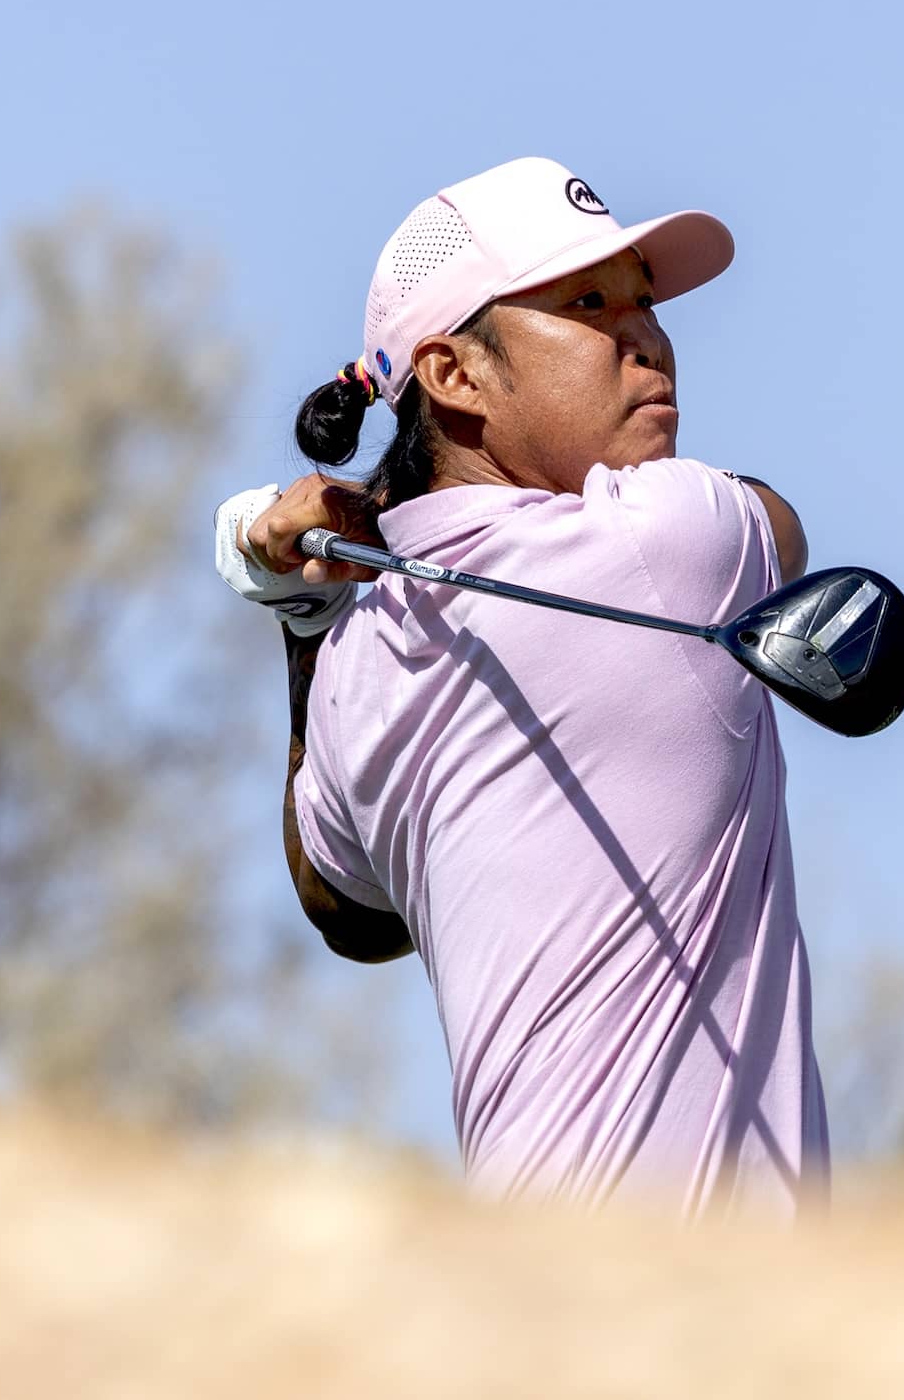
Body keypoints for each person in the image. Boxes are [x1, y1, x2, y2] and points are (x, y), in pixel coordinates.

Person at [211, 157, 827, 1216]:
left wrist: (300, 609)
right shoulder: (673, 541)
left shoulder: (359, 656)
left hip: (529, 1299)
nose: (646, 334)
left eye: (642, 296)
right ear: (453, 375)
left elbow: (342, 902)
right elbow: (781, 527)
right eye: (587, 302)